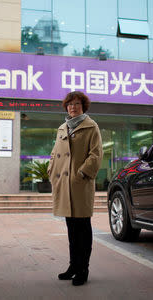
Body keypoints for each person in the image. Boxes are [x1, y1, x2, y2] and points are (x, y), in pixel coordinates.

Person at [48, 91, 103, 286]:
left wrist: (81, 173)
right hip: (64, 185)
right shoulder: (62, 128)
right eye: (70, 104)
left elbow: (96, 155)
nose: (73, 107)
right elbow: (55, 153)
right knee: (71, 229)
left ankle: (83, 269)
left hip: (80, 184)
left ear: (83, 106)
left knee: (83, 229)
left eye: (77, 104)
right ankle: (73, 266)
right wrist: (50, 170)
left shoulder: (91, 126)